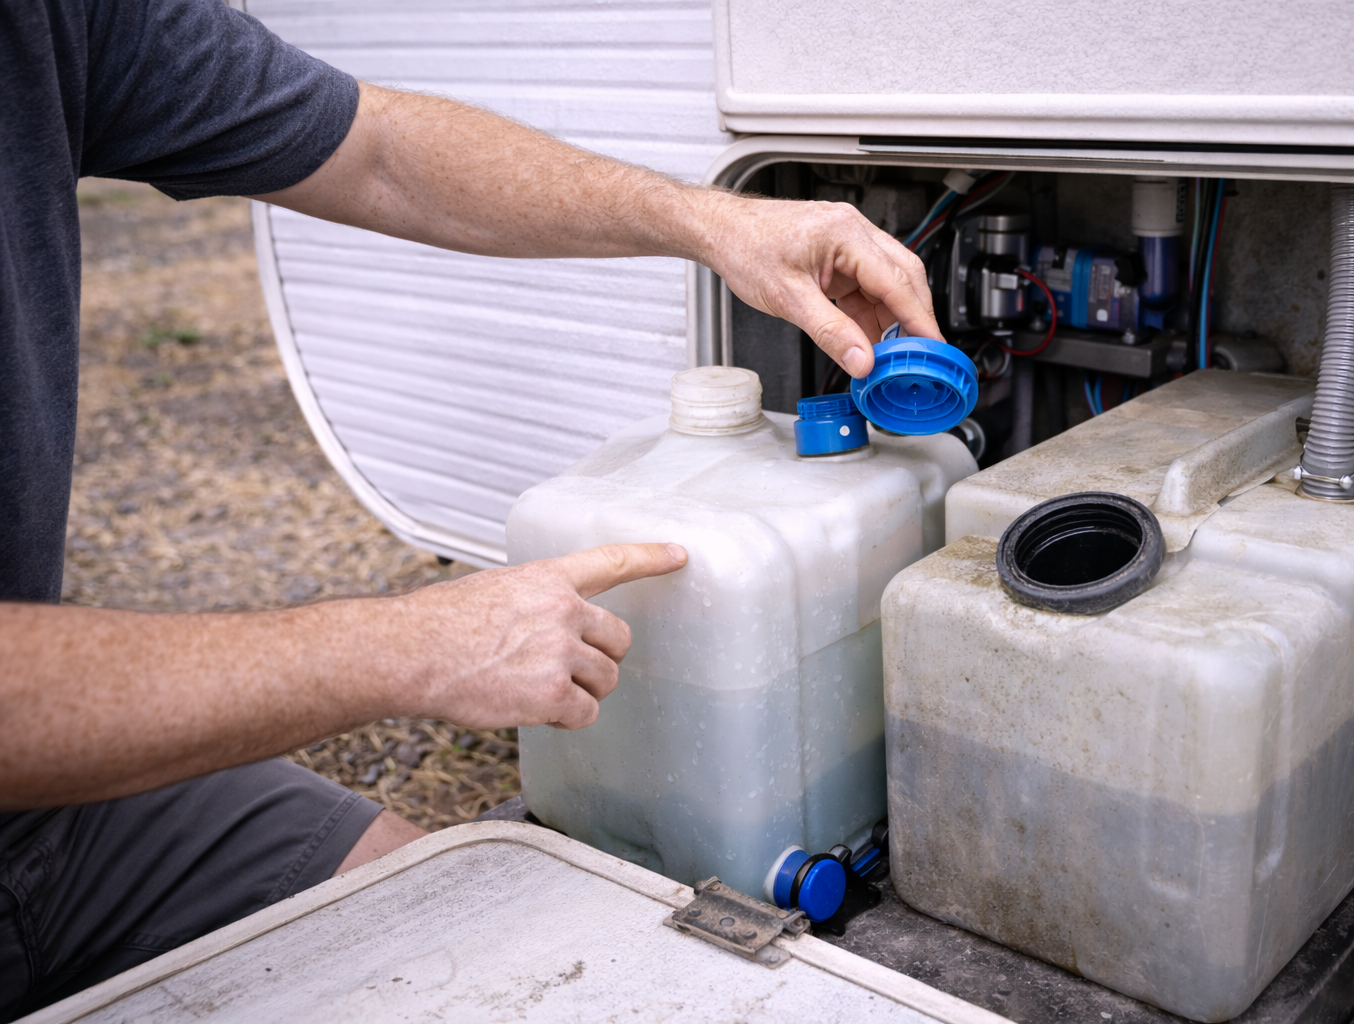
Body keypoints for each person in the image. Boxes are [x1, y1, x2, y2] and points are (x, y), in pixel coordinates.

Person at [0, 0, 942, 1015]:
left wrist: (713, 221)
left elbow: (376, 148)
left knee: (472, 927)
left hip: (50, 813)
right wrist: (409, 646)